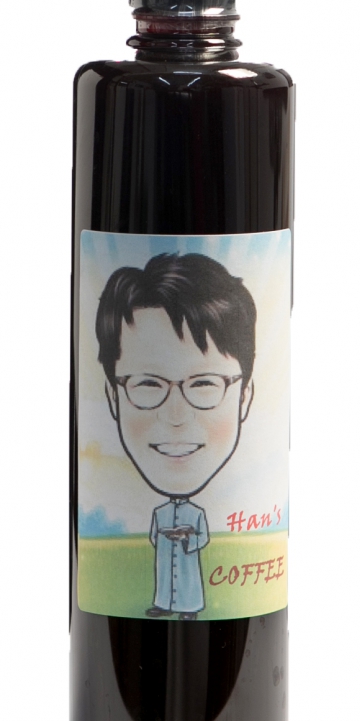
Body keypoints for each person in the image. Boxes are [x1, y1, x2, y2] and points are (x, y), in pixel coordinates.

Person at [95, 252, 256, 619]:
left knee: (188, 586)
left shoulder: (196, 514)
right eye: (147, 384)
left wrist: (186, 538)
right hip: (110, 654)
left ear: (244, 396)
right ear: (113, 397)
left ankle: (187, 608)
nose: (176, 417)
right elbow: (155, 537)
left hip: (243, 649)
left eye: (205, 384)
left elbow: (201, 538)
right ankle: (166, 604)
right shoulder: (160, 514)